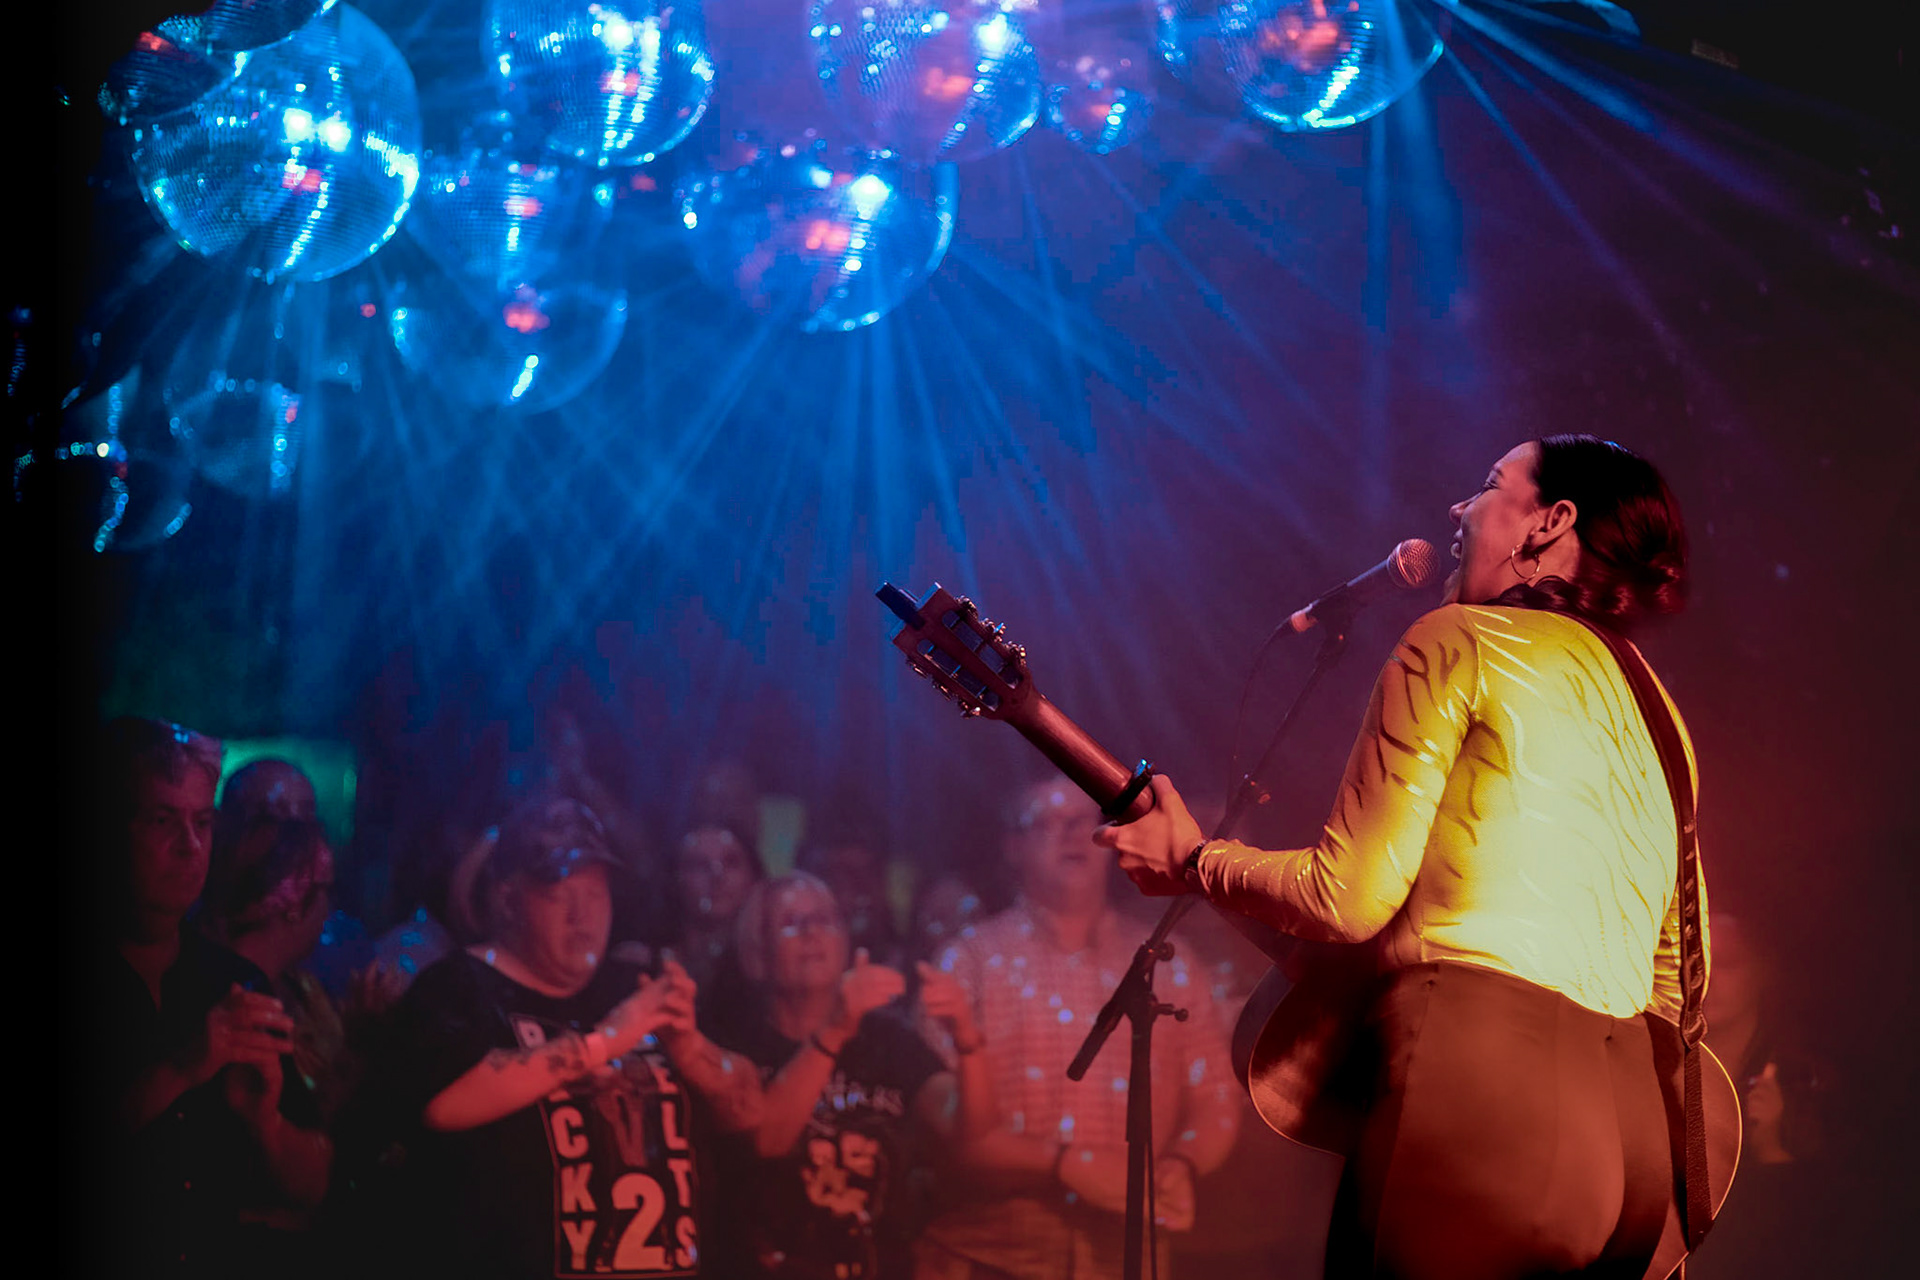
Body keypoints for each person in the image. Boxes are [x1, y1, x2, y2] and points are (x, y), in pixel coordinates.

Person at [1098, 435, 1705, 1280]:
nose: (1459, 510)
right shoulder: (1661, 713)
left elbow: (1347, 896)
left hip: (1483, 1098)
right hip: (1637, 1152)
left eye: (1490, 485)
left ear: (1550, 521)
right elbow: (1676, 985)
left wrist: (1198, 861)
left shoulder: (1459, 637)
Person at [373, 792, 766, 1280]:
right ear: (508, 899)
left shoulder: (630, 986)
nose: (584, 917)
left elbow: (752, 1113)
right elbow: (442, 1102)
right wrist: (602, 1043)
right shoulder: (457, 987)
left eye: (596, 895)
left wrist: (690, 1049)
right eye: (560, 897)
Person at [916, 779, 1241, 1280]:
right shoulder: (969, 959)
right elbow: (943, 1123)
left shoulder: (1166, 960)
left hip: (1127, 1253)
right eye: (1049, 822)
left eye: (1084, 822)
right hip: (993, 1254)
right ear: (1013, 846)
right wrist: (1067, 1163)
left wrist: (1182, 1163)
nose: (1072, 835)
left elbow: (1217, 1097)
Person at [88, 717, 329, 1279]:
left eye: (201, 822)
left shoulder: (234, 982)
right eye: (161, 820)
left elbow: (314, 1186)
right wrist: (178, 1069)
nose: (189, 847)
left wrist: (266, 1121)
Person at [718, 872, 994, 1280]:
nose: (812, 933)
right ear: (756, 955)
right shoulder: (734, 1042)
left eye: (826, 919)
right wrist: (837, 1027)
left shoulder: (888, 1041)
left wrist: (968, 1041)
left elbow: (968, 1129)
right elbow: (767, 1139)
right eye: (792, 923)